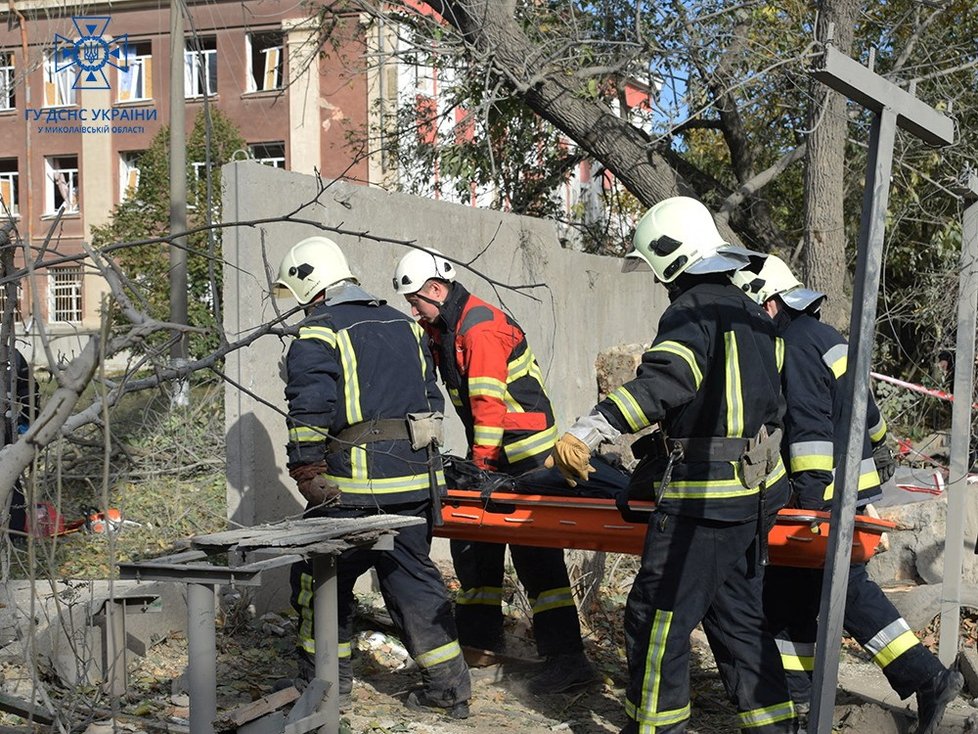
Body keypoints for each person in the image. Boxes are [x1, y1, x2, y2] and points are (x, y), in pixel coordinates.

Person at [548, 196, 795, 734]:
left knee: (656, 619)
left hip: (704, 501)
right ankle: (777, 726)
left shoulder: (690, 309)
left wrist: (591, 429)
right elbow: (768, 407)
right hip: (753, 496)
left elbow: (667, 381)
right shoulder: (753, 310)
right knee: (736, 619)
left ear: (670, 259)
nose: (659, 286)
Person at [731, 253, 963, 734]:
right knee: (794, 598)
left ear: (771, 305)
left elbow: (810, 433)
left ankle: (926, 677)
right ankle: (802, 702)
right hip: (848, 492)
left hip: (823, 498)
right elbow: (871, 417)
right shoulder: (828, 337)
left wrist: (808, 506)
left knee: (839, 593)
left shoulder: (792, 346)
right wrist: (877, 453)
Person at [275, 236, 471, 718]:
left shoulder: (319, 332)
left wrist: (305, 465)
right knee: (411, 580)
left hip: (355, 492)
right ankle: (450, 690)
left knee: (318, 577)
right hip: (415, 485)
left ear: (309, 283)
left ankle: (324, 682)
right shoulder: (406, 326)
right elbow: (431, 397)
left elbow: (310, 406)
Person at [392, 247, 597, 695]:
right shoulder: (444, 327)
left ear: (436, 289)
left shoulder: (480, 328)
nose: (413, 310)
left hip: (526, 450)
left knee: (535, 556)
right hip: (494, 446)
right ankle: (479, 642)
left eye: (416, 301)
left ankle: (567, 660)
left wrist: (480, 464)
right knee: (475, 545)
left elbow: (488, 404)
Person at [3, 346, 37, 536]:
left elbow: (28, 389)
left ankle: (15, 532)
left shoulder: (12, 355)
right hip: (9, 426)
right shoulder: (12, 353)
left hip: (8, 428)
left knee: (10, 478)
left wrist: (28, 421)